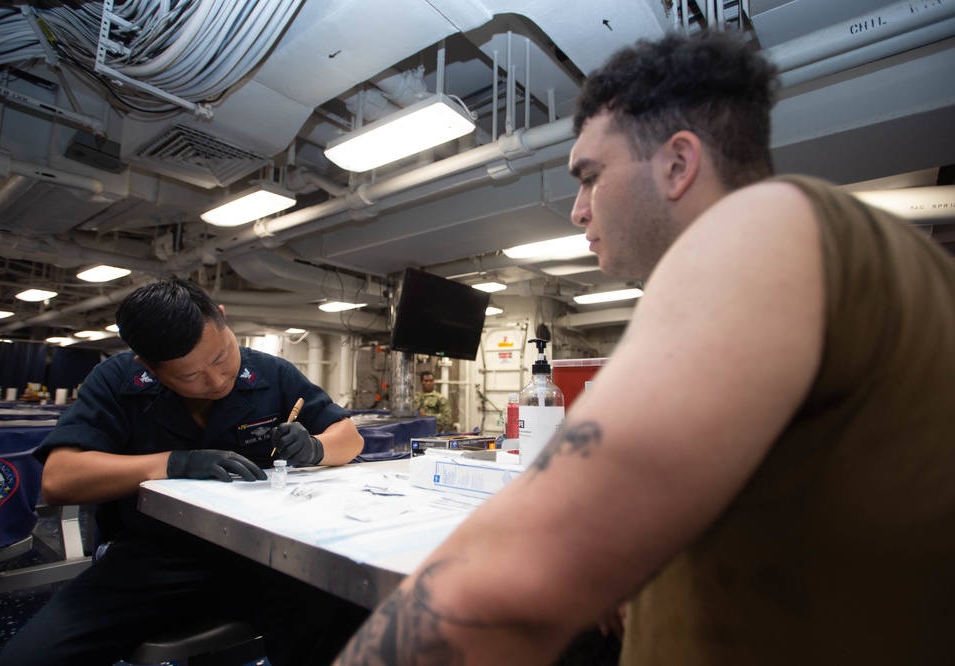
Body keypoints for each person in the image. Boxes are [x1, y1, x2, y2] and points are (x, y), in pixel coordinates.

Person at [334, 30, 955, 665]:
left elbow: (515, 578)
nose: (577, 211)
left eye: (590, 176)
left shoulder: (760, 231)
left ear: (678, 165)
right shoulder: (871, 260)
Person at [0, 278, 368, 666]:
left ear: (223, 319)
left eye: (222, 356)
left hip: (265, 556)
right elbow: (59, 480)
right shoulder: (117, 382)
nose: (216, 380)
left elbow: (350, 437)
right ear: (149, 367)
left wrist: (316, 448)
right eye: (189, 376)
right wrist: (173, 463)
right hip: (155, 562)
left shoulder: (272, 373)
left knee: (351, 627)